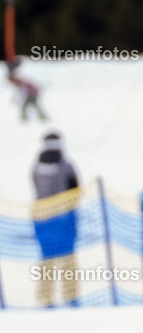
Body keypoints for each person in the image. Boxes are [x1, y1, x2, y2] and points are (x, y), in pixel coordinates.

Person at [31, 131, 80, 307]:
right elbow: (75, 189)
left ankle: (45, 297)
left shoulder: (36, 166)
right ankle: (71, 296)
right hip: (64, 218)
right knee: (68, 260)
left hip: (42, 218)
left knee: (47, 259)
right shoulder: (66, 165)